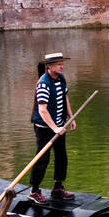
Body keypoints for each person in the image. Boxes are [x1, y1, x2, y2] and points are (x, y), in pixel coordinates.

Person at [30, 52, 76, 204]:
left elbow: (65, 98)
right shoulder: (43, 83)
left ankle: (58, 188)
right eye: (58, 64)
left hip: (59, 125)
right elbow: (42, 110)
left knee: (62, 156)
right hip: (44, 127)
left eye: (62, 63)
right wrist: (54, 128)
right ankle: (34, 190)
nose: (61, 66)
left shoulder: (61, 79)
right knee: (42, 159)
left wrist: (71, 117)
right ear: (49, 67)